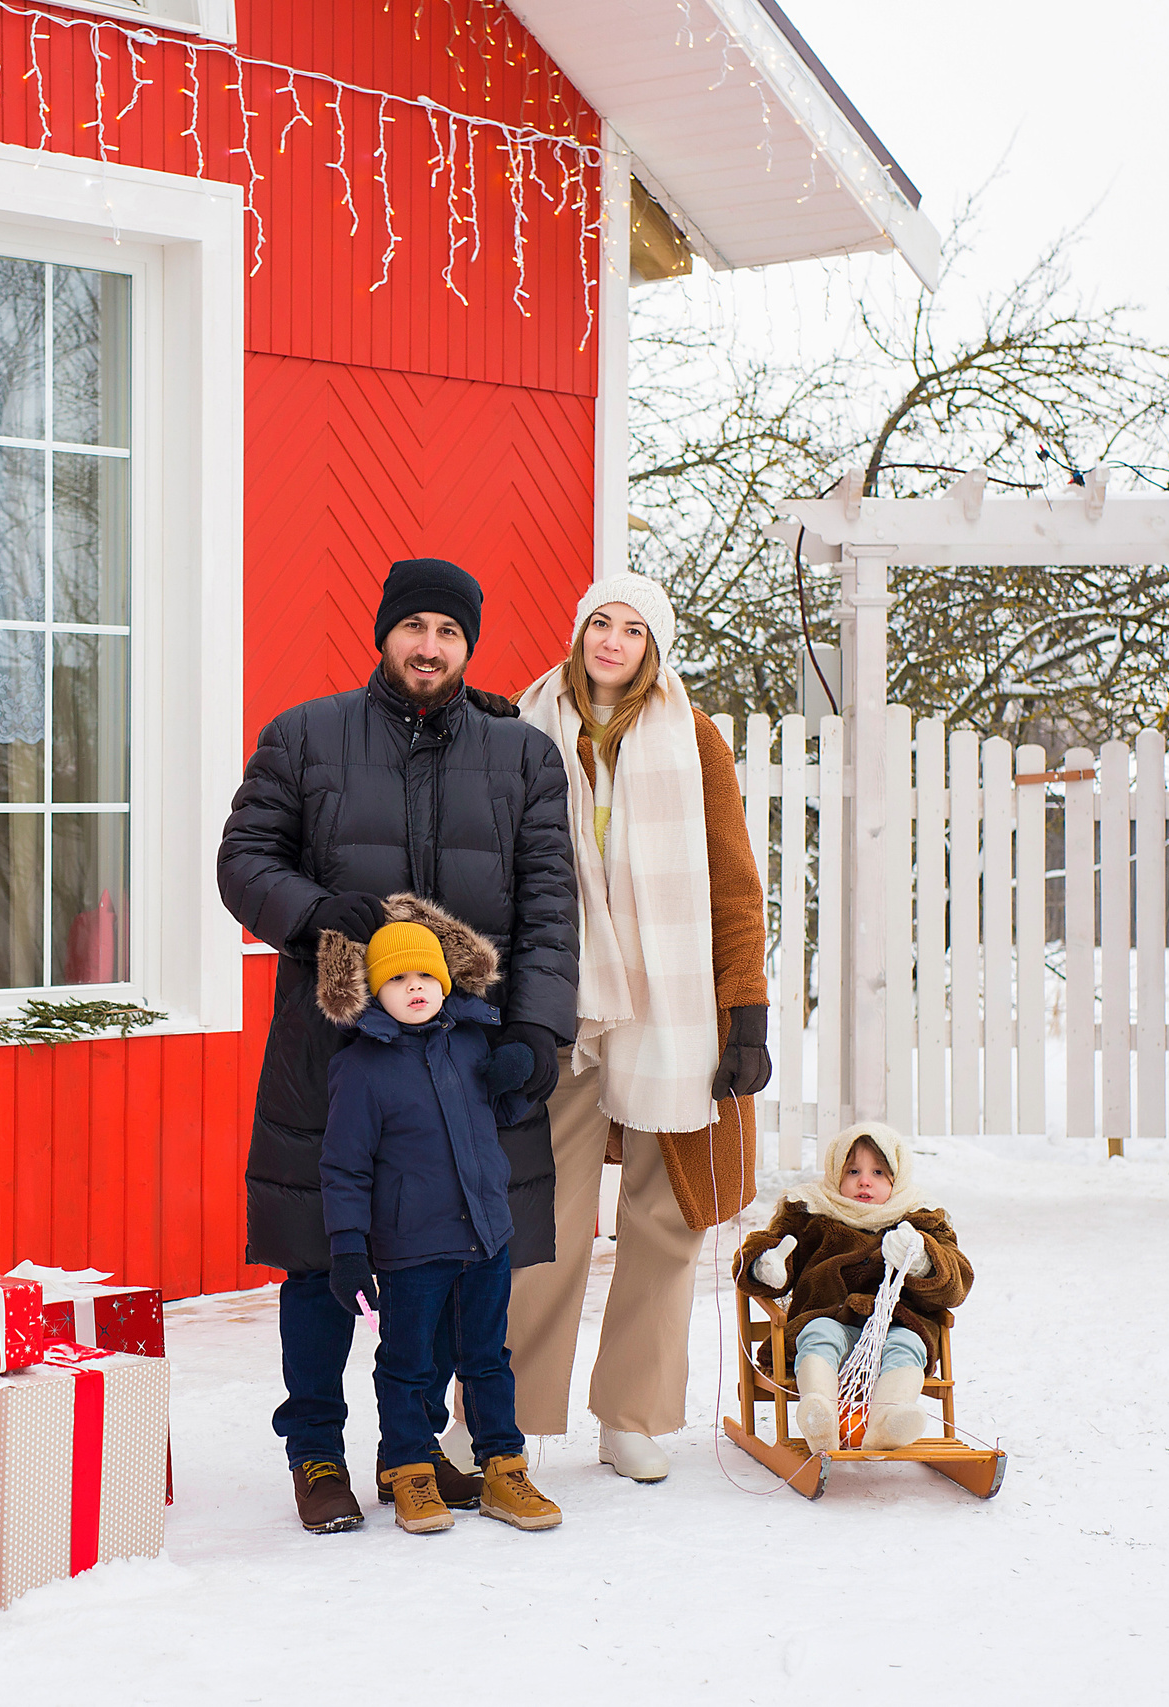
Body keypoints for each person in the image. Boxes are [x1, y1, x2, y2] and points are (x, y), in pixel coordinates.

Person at [217, 555, 578, 1535]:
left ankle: (414, 1452)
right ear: (385, 634)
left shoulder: (523, 759)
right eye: (414, 627)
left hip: (468, 1067)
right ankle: (318, 1452)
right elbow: (243, 860)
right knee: (320, 1255)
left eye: (449, 632)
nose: (429, 646)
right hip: (332, 1051)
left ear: (469, 644)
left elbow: (550, 909)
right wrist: (310, 910)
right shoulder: (304, 737)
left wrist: (537, 1031)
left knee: (459, 1264)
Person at [503, 572, 772, 1484]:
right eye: (599, 623)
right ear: (578, 632)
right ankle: (506, 1414)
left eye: (632, 629)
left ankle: (632, 1414)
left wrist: (748, 1013)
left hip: (671, 1002)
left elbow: (733, 885)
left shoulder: (693, 739)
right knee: (543, 1214)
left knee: (665, 1214)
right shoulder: (522, 727)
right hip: (562, 1003)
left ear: (654, 648)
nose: (612, 641)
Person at [315, 904, 562, 1534]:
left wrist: (519, 1077)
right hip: (410, 1249)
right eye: (397, 979)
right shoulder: (360, 1069)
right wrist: (348, 1249)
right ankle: (409, 1471)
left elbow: (497, 1120)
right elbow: (344, 1168)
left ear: (445, 981)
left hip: (485, 1238)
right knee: (408, 1364)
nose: (415, 988)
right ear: (374, 990)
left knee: (487, 1359)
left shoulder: (474, 1041)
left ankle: (503, 1469)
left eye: (424, 976)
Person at [734, 1122, 974, 1452]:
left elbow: (958, 1282)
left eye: (878, 1172)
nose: (864, 1181)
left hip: (892, 1327)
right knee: (818, 1334)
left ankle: (887, 1425)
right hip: (830, 1321)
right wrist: (765, 1265)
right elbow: (771, 1246)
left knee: (909, 1344)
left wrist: (922, 1260)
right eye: (853, 1171)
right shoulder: (810, 1211)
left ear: (898, 1176)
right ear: (835, 1172)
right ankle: (820, 1416)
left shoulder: (920, 1219)